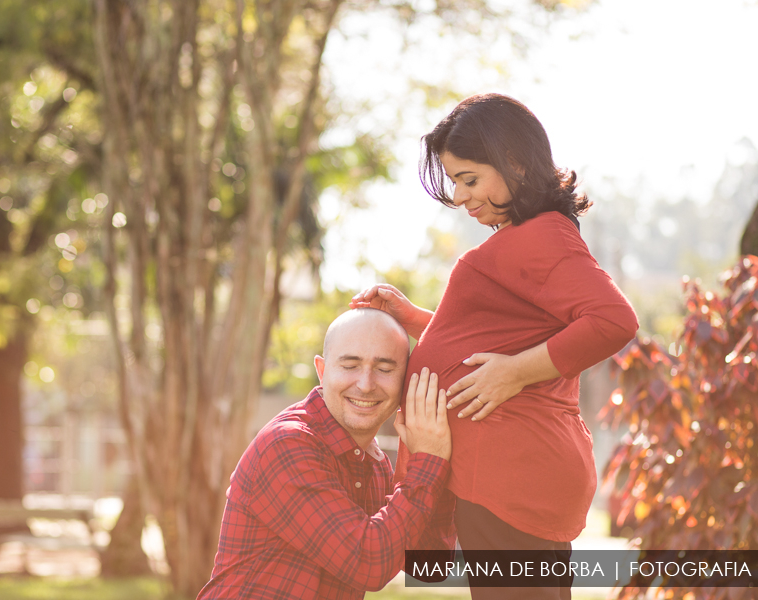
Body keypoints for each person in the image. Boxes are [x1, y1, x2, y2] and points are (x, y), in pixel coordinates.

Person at [351, 93, 639, 599]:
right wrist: (415, 319)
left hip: (510, 474)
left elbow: (614, 320)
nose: (460, 198)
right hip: (510, 472)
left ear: (516, 163)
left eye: (469, 179)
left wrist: (514, 373)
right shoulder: (526, 235)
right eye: (455, 182)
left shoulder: (543, 236)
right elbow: (495, 335)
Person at [197, 308, 455, 599]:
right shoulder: (287, 445)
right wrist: (429, 463)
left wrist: (424, 451)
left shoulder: (375, 464)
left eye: (384, 369)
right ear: (322, 371)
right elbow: (368, 563)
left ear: (405, 382)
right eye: (350, 365)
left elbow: (430, 566)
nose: (366, 384)